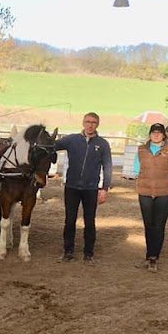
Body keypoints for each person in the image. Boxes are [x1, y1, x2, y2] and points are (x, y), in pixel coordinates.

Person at [55, 112, 113, 265]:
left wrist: (105, 188)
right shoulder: (71, 140)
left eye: (93, 122)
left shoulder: (103, 144)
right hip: (72, 187)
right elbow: (52, 146)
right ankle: (68, 252)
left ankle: (88, 254)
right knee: (70, 220)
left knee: (89, 222)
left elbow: (108, 166)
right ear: (83, 122)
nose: (90, 125)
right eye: (87, 121)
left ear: (97, 124)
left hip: (91, 189)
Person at [133, 123, 168, 273]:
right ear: (149, 134)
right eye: (153, 132)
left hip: (165, 194)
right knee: (148, 225)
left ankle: (154, 257)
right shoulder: (141, 150)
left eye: (159, 132)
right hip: (145, 193)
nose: (156, 135)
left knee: (159, 225)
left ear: (163, 135)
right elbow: (137, 169)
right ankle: (149, 255)